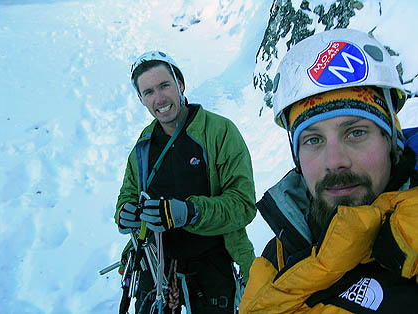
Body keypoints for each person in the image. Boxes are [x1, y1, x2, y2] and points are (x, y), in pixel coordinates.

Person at [240, 28, 418, 313]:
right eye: (313, 140)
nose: (334, 161)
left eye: (356, 133)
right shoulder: (282, 250)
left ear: (391, 141)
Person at [115, 50, 256, 313]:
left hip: (214, 264)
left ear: (180, 84)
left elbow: (243, 205)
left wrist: (189, 212)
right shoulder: (143, 146)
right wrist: (125, 214)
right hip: (156, 268)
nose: (159, 98)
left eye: (164, 85)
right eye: (148, 92)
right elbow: (127, 197)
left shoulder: (220, 132)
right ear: (141, 99)